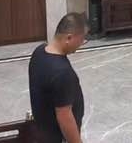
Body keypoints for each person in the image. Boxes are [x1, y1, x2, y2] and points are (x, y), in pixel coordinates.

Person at [28, 13, 87, 143]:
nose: (82, 43)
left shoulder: (38, 52)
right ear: (69, 38)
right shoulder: (62, 73)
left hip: (43, 132)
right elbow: (65, 117)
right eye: (81, 39)